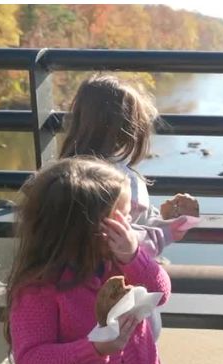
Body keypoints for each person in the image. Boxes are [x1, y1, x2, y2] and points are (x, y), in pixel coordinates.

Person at [5, 157, 172, 364]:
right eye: (122, 219)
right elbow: (31, 360)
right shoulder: (39, 287)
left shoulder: (121, 260)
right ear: (83, 230)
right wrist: (95, 349)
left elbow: (161, 294)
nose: (130, 226)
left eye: (129, 216)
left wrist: (133, 257)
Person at [59, 74, 199, 258]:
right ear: (132, 133)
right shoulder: (124, 183)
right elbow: (132, 242)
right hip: (114, 278)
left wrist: (160, 217)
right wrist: (168, 229)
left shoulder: (58, 176)